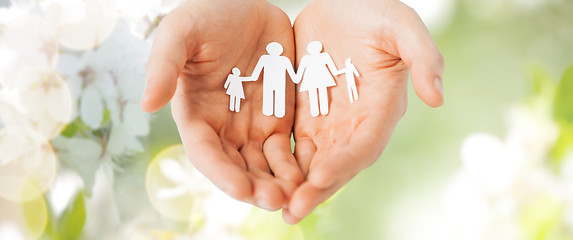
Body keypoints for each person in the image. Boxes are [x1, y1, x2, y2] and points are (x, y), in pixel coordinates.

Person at [141, 0, 445, 225]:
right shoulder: (272, 60)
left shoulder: (294, 61)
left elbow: (294, 74)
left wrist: (325, 69)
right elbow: (271, 70)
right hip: (277, 84)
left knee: (304, 99)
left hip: (308, 82)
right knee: (274, 102)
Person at [251, 42, 298, 118]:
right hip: (277, 83)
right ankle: (276, 112)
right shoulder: (283, 60)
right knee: (278, 97)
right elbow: (294, 77)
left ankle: (271, 112)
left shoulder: (265, 58)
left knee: (271, 97)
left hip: (272, 83)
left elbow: (255, 75)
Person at [295, 41, 338, 117]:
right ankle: (320, 110)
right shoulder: (323, 56)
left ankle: (319, 111)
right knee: (320, 93)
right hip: (318, 77)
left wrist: (295, 78)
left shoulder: (308, 58)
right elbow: (334, 70)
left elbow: (299, 73)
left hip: (313, 78)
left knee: (315, 94)